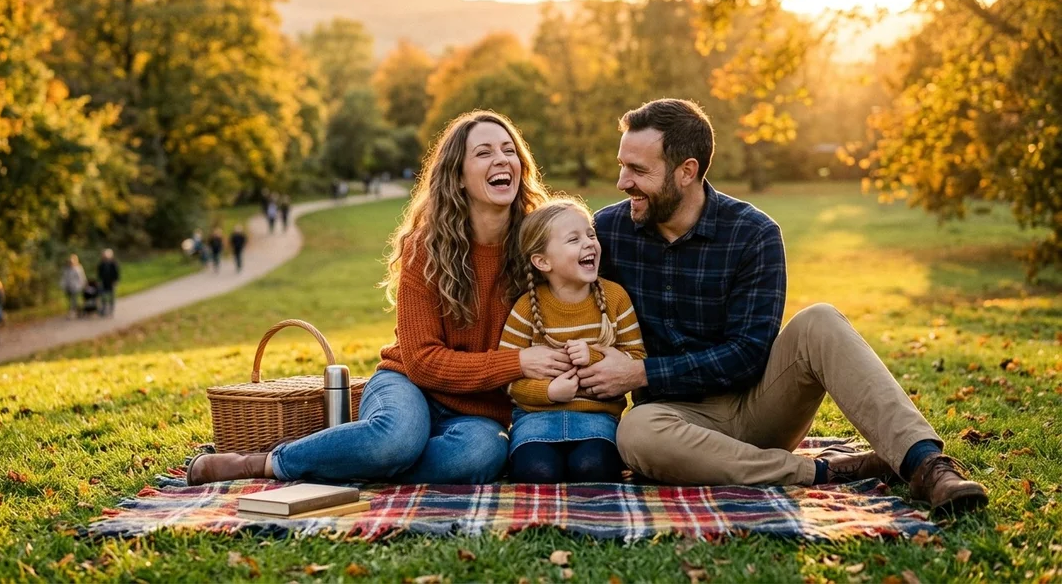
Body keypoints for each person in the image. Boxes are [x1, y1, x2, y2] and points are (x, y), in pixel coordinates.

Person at [580, 98, 987, 512]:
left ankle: (928, 466)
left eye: (637, 170)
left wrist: (640, 372)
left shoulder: (754, 233)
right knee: (635, 434)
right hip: (674, 420)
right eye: (622, 165)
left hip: (758, 406)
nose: (622, 182)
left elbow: (749, 354)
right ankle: (826, 472)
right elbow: (552, 274)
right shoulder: (608, 231)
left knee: (820, 320)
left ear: (687, 171)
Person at [185, 110, 566, 486]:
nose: (501, 159)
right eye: (483, 152)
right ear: (458, 177)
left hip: (480, 412)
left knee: (481, 455)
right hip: (408, 385)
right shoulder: (427, 249)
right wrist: (518, 362)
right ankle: (262, 463)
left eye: (508, 150)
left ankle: (363, 463)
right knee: (396, 439)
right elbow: (421, 362)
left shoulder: (538, 250)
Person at [499, 198, 647, 483]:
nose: (589, 243)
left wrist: (593, 356)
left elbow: (637, 360)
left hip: (597, 421)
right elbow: (509, 380)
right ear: (542, 261)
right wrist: (550, 392)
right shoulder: (527, 308)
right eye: (573, 239)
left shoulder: (615, 298)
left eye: (590, 234)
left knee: (592, 468)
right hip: (535, 422)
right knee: (536, 472)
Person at [60, 254, 86, 319]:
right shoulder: (66, 269)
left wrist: (83, 284)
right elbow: (64, 278)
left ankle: (73, 313)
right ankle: (74, 312)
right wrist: (62, 285)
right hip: (68, 287)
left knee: (74, 300)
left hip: (76, 287)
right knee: (70, 300)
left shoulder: (78, 268)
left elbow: (81, 278)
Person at [97, 249, 120, 317]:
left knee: (111, 297)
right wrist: (99, 281)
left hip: (111, 282)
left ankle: (111, 310)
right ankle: (103, 310)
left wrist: (115, 281)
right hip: (104, 282)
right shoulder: (101, 264)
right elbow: (99, 274)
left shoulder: (113, 263)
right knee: (103, 296)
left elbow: (116, 273)